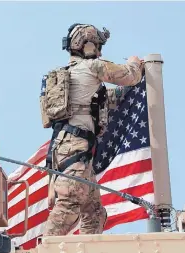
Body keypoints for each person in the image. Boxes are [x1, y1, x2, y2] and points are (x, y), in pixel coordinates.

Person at [43, 23, 144, 236]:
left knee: (95, 212)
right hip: (76, 146)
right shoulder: (92, 67)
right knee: (69, 204)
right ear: (88, 46)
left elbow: (101, 102)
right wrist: (135, 63)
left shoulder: (70, 75)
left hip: (70, 147)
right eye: (97, 46)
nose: (99, 51)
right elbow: (130, 76)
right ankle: (46, 247)